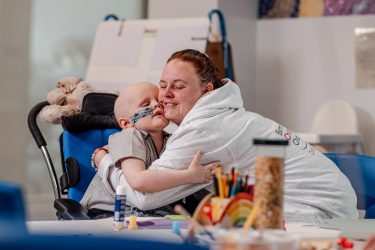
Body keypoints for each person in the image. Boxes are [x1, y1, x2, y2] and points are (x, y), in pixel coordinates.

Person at [97, 49, 357, 223]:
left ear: (206, 90)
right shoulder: (224, 116)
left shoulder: (205, 129)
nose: (164, 96)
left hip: (319, 214)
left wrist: (105, 162)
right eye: (163, 85)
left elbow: (144, 196)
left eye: (178, 87)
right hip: (328, 202)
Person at [80, 82, 216, 216]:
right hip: (107, 212)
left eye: (158, 100)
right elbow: (137, 180)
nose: (156, 104)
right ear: (127, 123)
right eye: (145, 104)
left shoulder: (173, 141)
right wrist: (190, 176)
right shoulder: (129, 136)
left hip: (145, 212)